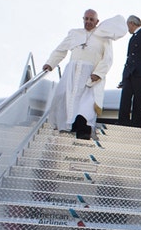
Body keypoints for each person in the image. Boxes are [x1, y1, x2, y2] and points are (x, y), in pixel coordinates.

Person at [43, 9, 127, 139]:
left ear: (97, 21)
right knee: (65, 98)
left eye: (91, 19)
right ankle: (66, 127)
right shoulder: (74, 33)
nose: (88, 22)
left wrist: (98, 73)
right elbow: (60, 50)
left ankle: (83, 131)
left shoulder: (104, 37)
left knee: (86, 104)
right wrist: (50, 63)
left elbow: (108, 58)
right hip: (72, 72)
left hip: (90, 75)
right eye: (86, 19)